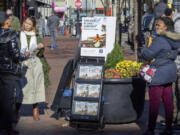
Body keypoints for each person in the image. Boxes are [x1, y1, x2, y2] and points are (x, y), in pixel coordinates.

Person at [141, 17, 180, 135]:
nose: (156, 27)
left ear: (165, 27)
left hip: (159, 74)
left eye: (159, 25)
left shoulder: (160, 40)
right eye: (156, 25)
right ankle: (168, 128)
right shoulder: (175, 39)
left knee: (154, 103)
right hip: (170, 72)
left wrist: (143, 49)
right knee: (168, 102)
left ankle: (151, 129)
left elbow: (147, 55)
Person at [0, 11, 28, 135]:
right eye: (9, 18)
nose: (10, 19)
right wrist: (26, 55)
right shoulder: (11, 35)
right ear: (6, 21)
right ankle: (8, 127)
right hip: (9, 71)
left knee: (1, 99)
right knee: (9, 100)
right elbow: (16, 56)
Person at [16, 17, 46, 121]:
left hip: (34, 63)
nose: (27, 26)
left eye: (29, 24)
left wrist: (40, 48)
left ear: (33, 26)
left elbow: (41, 53)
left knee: (35, 86)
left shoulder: (36, 36)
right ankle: (16, 110)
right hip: (22, 63)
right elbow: (15, 48)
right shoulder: (19, 35)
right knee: (21, 87)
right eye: (26, 23)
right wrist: (22, 54)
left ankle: (35, 109)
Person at [163, 7, 180, 124]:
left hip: (177, 63)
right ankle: (174, 119)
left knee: (176, 92)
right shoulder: (173, 21)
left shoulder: (178, 23)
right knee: (172, 93)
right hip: (174, 64)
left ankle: (176, 119)